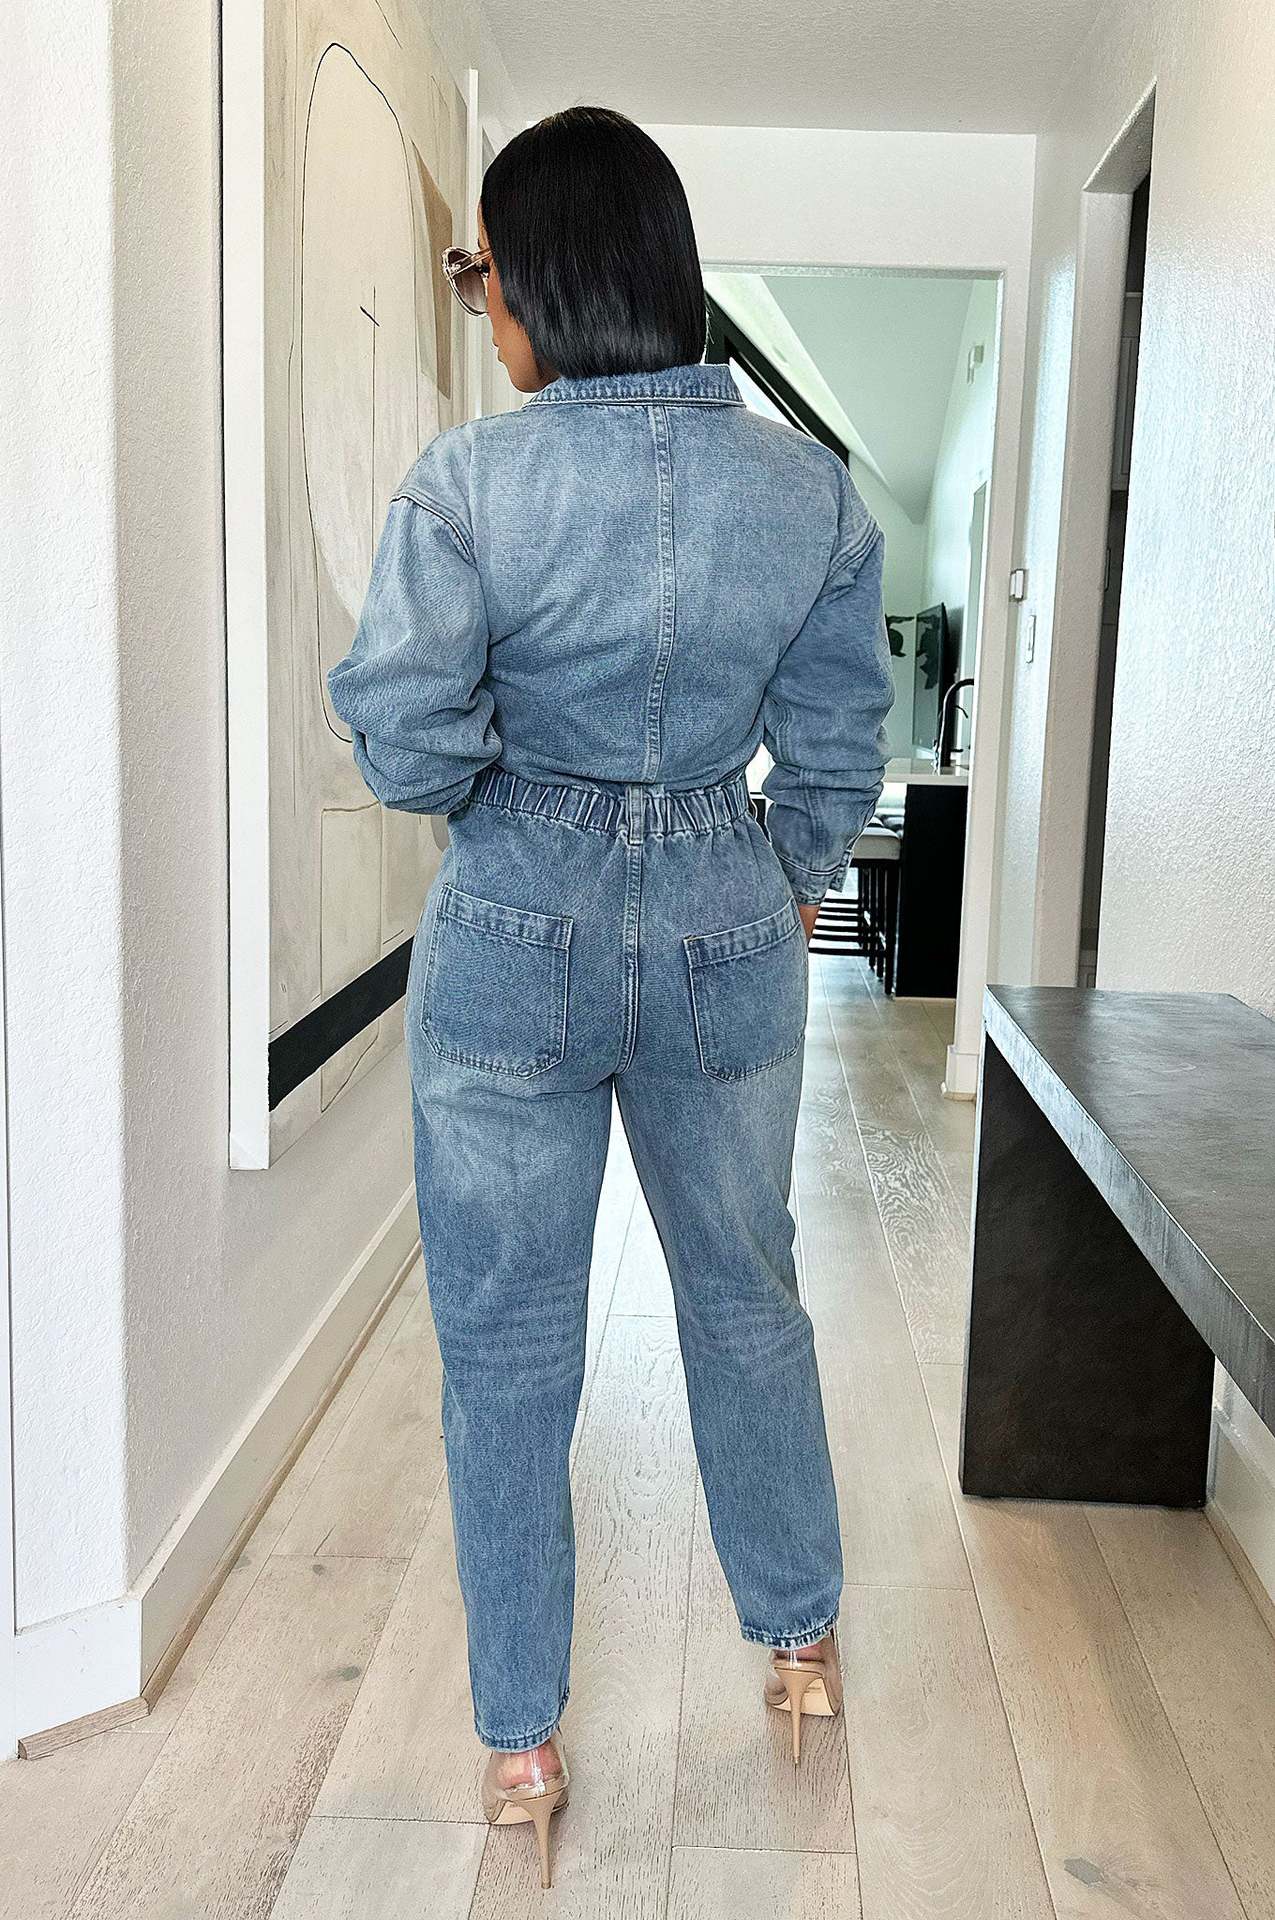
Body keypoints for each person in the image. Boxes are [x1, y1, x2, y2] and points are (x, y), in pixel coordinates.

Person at [327, 105, 894, 1889]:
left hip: (516, 921)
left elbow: (404, 737)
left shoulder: (468, 486)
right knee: (747, 1297)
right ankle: (800, 1647)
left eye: (483, 272)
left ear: (549, 278)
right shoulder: (809, 494)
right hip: (726, 910)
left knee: (506, 1344)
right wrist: (766, 866)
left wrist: (509, 802)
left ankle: (520, 1744)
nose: (483, 305)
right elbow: (840, 743)